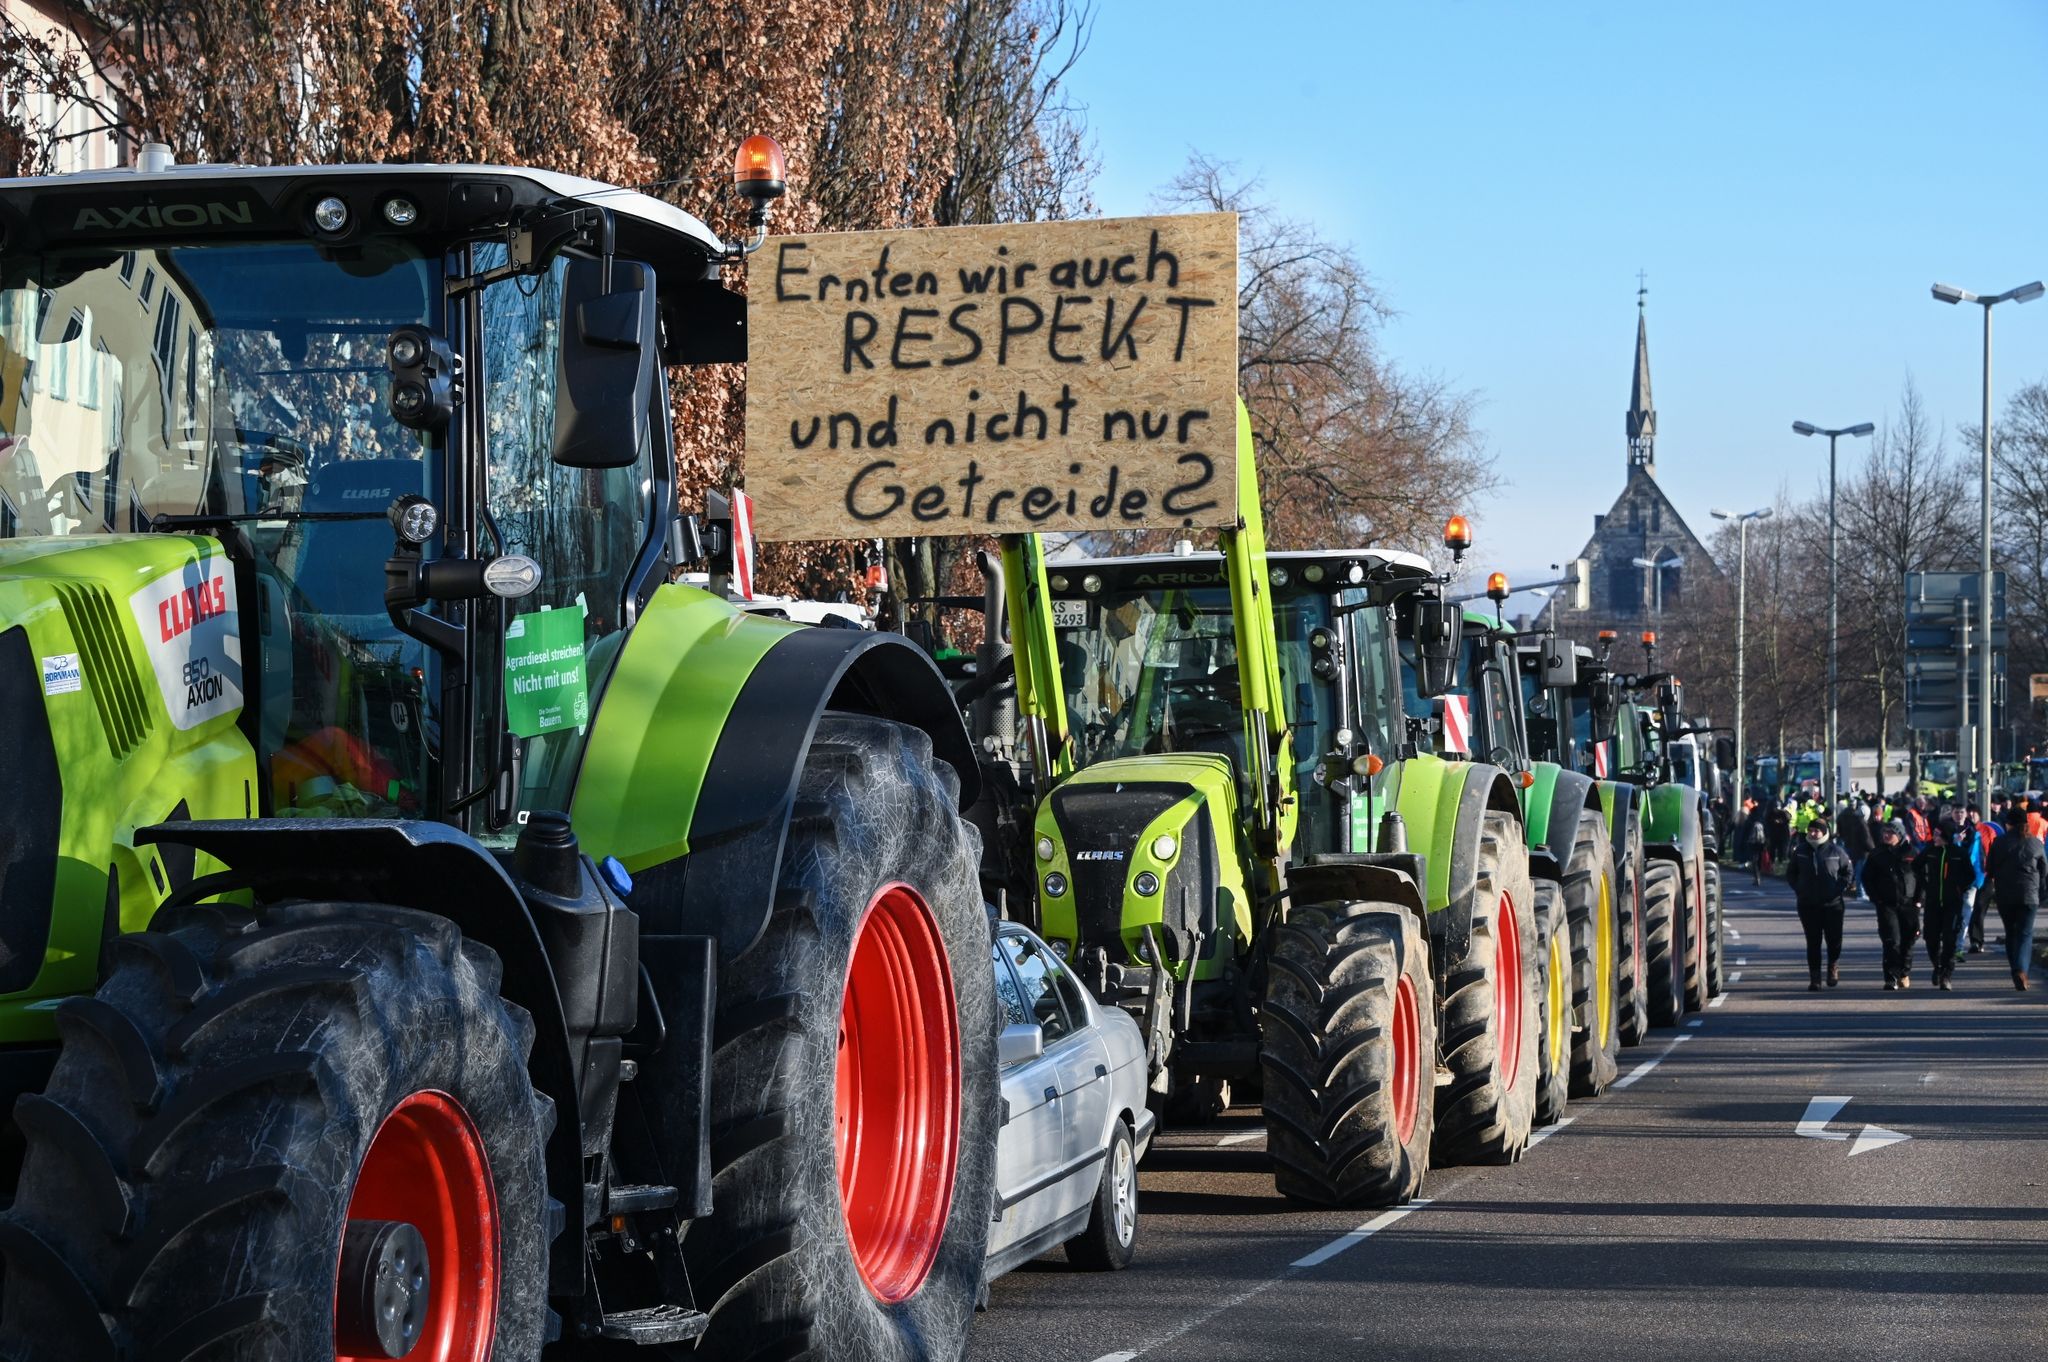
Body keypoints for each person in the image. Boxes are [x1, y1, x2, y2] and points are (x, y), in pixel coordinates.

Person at [1788, 817, 1855, 990]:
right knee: (1813, 941)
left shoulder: (1836, 851)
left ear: (1824, 833)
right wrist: (1800, 889)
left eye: (1816, 831)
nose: (1812, 833)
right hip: (1808, 904)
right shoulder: (1801, 851)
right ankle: (1815, 978)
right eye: (1810, 830)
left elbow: (1848, 872)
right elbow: (1791, 873)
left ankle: (1833, 965)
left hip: (1833, 904)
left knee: (1834, 940)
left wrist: (1838, 889)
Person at [1914, 820, 1977, 991]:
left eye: (1937, 834)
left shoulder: (1959, 853)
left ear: (1945, 836)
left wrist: (1959, 888)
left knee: (1950, 939)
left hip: (1952, 903)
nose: (1934, 837)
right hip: (1933, 902)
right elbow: (1916, 866)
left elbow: (1970, 875)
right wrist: (1926, 885)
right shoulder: (1930, 851)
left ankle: (1946, 974)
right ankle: (1937, 965)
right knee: (1931, 938)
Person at [1987, 816, 2046, 991]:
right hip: (2029, 895)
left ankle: (2016, 969)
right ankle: (2021, 970)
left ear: (2009, 824)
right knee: (2025, 934)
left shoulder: (1999, 842)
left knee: (2011, 932)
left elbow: (1989, 868)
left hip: (2005, 896)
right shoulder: (2035, 843)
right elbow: (2044, 869)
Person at [1864, 820, 1919, 990]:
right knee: (1891, 940)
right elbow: (1867, 878)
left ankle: (1904, 971)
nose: (1886, 835)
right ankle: (1891, 977)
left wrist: (1919, 899)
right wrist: (1876, 898)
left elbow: (1923, 877)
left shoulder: (1912, 852)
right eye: (1885, 832)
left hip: (1909, 904)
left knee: (1909, 939)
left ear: (1900, 835)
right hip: (1887, 905)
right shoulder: (1876, 854)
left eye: (1891, 833)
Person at [1837, 799, 1874, 899]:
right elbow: (1866, 839)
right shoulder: (1860, 821)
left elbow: (1839, 828)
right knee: (1859, 872)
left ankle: (1847, 887)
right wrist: (1873, 849)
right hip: (1861, 850)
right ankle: (1860, 893)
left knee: (1849, 868)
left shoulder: (1844, 816)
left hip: (1848, 844)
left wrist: (1843, 837)